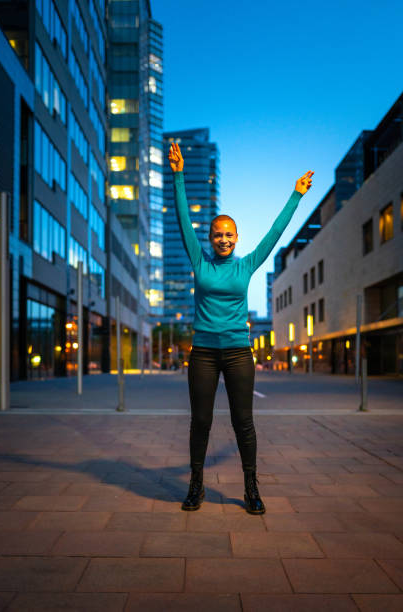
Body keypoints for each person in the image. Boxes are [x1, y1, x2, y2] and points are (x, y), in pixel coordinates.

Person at [168, 142, 313, 514]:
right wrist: (179, 175)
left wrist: (295, 196)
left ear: (236, 238)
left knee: (242, 422)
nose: (223, 238)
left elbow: (275, 233)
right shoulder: (200, 261)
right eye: (217, 233)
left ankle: (251, 487)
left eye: (229, 234)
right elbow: (184, 218)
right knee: (200, 422)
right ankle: (196, 485)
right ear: (210, 238)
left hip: (237, 353)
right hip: (202, 353)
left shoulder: (246, 265)